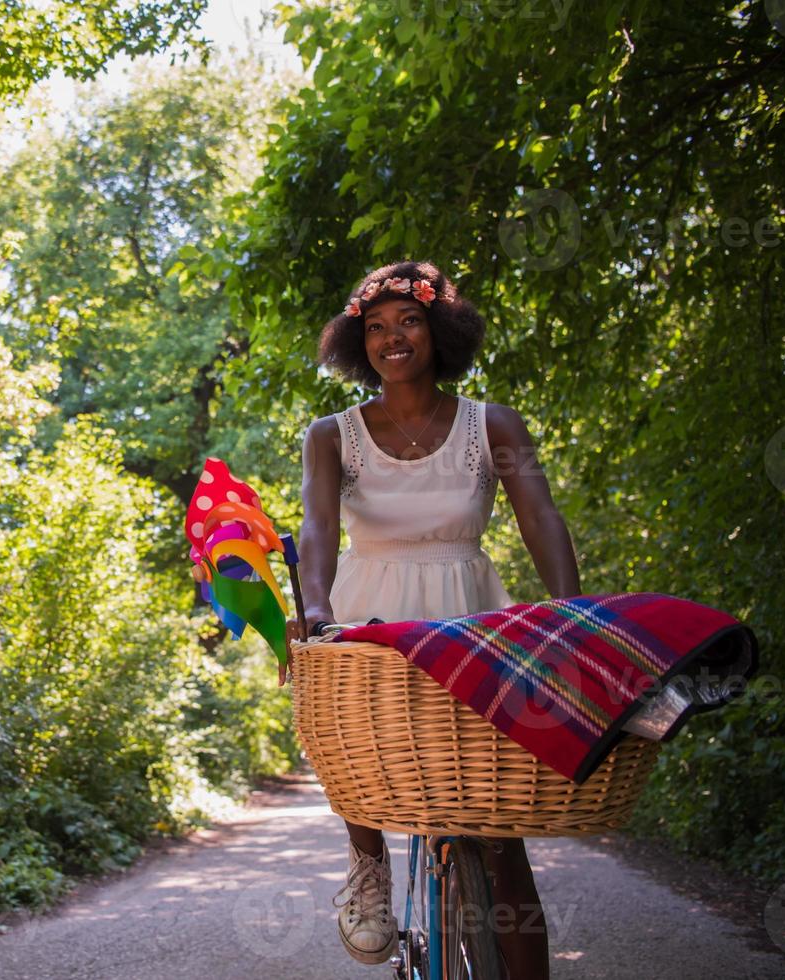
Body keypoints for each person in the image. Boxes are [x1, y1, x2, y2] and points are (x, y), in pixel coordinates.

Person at [294, 261, 579, 978]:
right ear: (357, 344)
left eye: (409, 321)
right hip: (369, 613)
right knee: (355, 748)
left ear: (439, 330)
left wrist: (570, 608)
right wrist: (316, 606)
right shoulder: (332, 435)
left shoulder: (493, 424)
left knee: (499, 840)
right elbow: (317, 528)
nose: (393, 339)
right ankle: (367, 866)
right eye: (376, 328)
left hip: (471, 620)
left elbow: (539, 516)